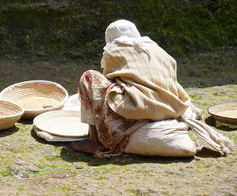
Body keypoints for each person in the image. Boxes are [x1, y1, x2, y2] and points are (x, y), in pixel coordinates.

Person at [70, 19, 197, 158]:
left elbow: (109, 79)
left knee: (89, 77)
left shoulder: (113, 51)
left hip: (139, 109)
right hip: (172, 108)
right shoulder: (159, 50)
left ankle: (93, 141)